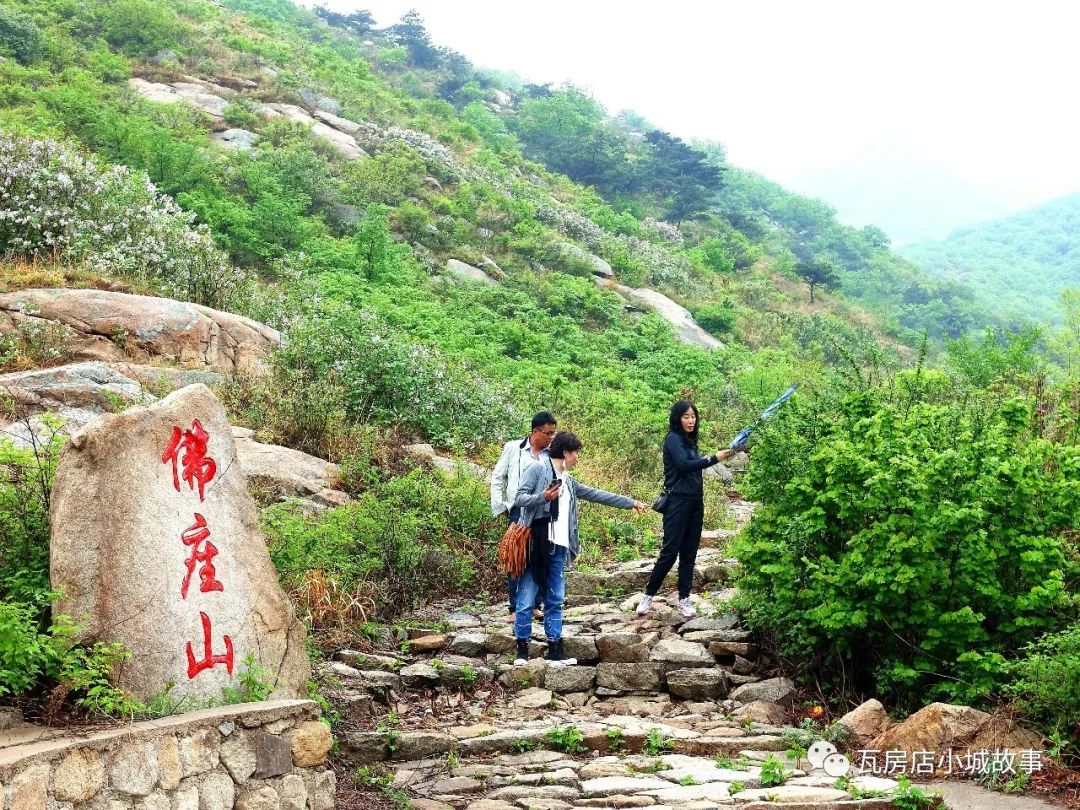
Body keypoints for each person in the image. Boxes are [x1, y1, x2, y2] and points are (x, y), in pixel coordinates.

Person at [513, 431, 648, 666]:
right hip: (535, 544)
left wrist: (630, 502)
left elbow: (597, 494)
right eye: (576, 453)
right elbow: (520, 498)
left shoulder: (569, 482)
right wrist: (543, 497)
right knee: (526, 600)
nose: (577, 458)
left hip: (560, 547)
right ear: (565, 453)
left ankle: (556, 651)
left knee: (555, 599)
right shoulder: (537, 469)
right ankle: (522, 651)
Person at [637, 401, 735, 619]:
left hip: (695, 502)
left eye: (693, 416)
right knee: (670, 551)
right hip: (677, 502)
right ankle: (648, 596)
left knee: (689, 553)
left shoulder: (690, 442)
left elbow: (694, 466)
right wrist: (713, 458)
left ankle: (684, 599)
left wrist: (717, 456)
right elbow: (683, 465)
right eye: (686, 417)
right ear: (677, 419)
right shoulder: (672, 439)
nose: (691, 421)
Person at [491, 411, 558, 620]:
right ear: (535, 431)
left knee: (539, 556)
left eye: (553, 434)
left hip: (544, 512)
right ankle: (514, 607)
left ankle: (535, 605)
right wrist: (500, 505)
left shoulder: (551, 454)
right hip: (519, 510)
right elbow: (498, 476)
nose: (551, 438)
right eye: (548, 433)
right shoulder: (514, 448)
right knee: (517, 556)